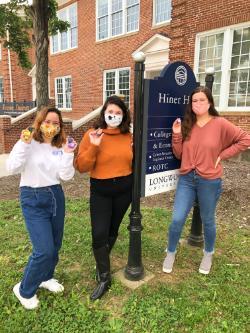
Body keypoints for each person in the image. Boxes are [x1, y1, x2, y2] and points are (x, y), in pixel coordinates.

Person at [163, 86, 250, 275]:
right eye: (194, 100)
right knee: (177, 219)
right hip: (187, 178)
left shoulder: (220, 123)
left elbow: (245, 139)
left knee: (208, 220)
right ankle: (171, 251)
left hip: (209, 180)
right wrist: (176, 134)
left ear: (209, 102)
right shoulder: (188, 123)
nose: (198, 104)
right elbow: (178, 154)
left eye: (202, 100)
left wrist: (223, 154)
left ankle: (208, 253)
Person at [7, 107, 77, 309]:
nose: (52, 127)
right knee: (44, 249)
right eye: (48, 122)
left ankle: (46, 277)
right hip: (32, 196)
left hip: (55, 195)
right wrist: (23, 143)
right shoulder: (29, 142)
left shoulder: (60, 144)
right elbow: (12, 167)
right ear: (39, 122)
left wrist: (68, 153)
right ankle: (23, 289)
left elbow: (66, 176)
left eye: (56, 123)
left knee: (54, 245)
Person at [75, 95, 133, 300]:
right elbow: (81, 167)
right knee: (99, 233)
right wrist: (94, 145)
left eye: (118, 113)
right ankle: (104, 278)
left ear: (124, 115)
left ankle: (102, 265)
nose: (114, 115)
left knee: (112, 230)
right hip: (101, 190)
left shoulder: (129, 136)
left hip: (124, 190)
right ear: (104, 113)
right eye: (111, 112)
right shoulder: (92, 134)